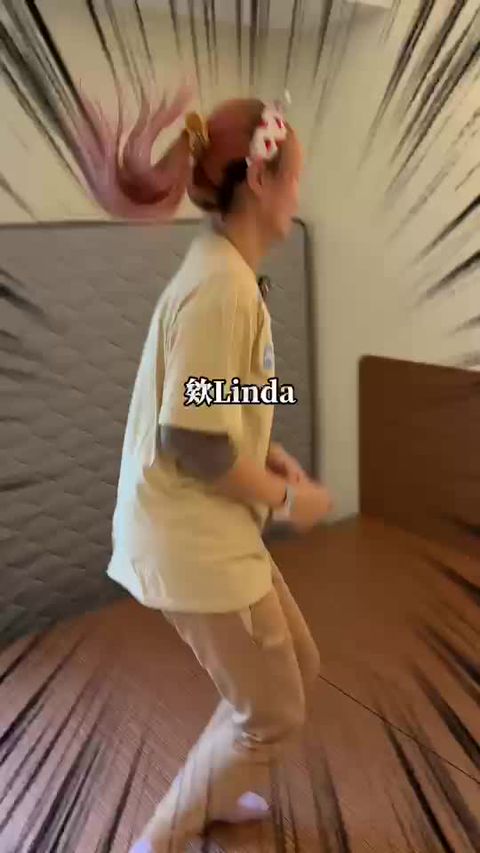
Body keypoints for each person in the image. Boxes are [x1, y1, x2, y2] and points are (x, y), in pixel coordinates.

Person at [74, 84, 332, 852]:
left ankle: (218, 784)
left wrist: (267, 452)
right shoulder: (222, 287)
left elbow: (214, 398)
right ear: (261, 181)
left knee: (296, 667)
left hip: (211, 525)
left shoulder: (224, 270)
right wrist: (289, 499)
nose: (299, 194)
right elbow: (192, 441)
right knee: (274, 710)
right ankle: (160, 839)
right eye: (295, 176)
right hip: (191, 539)